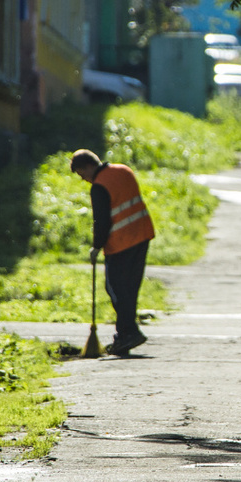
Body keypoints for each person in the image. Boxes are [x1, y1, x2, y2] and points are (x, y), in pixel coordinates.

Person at [71, 149, 155, 356]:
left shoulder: (99, 186)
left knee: (116, 288)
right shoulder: (124, 171)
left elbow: (102, 220)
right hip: (142, 235)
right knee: (130, 287)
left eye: (83, 175)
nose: (85, 180)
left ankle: (129, 332)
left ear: (88, 167)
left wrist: (96, 246)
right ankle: (125, 333)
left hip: (120, 242)